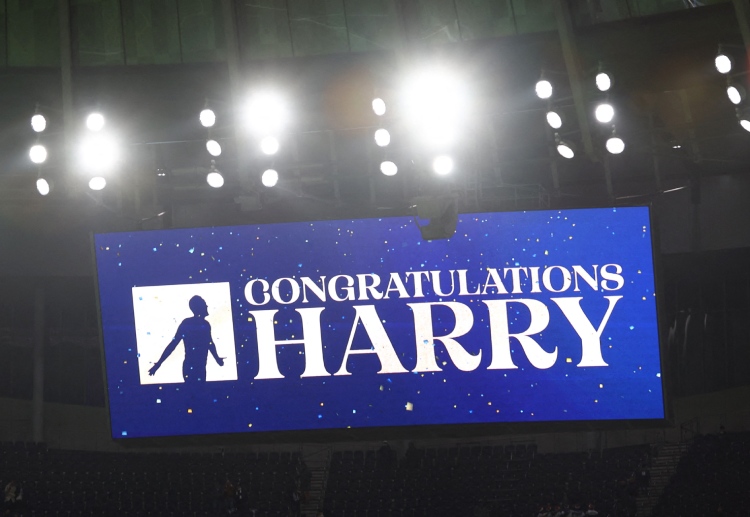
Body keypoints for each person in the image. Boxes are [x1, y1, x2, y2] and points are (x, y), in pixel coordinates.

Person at [148, 295, 224, 382]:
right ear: (199, 307)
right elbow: (210, 344)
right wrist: (217, 359)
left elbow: (173, 344)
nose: (207, 306)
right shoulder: (201, 324)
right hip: (195, 368)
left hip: (195, 367)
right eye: (204, 304)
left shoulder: (194, 324)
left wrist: (158, 364)